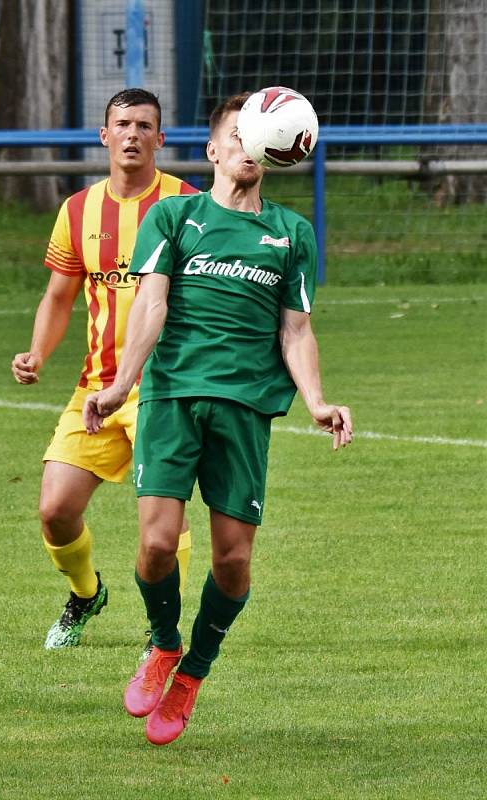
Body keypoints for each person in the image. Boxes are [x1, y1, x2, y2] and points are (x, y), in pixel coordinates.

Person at [83, 92, 353, 745]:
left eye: (258, 136)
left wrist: (316, 400)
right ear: (213, 149)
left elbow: (297, 330)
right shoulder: (176, 217)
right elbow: (151, 304)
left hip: (244, 411)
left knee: (232, 561)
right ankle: (166, 644)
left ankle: (193, 675)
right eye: (237, 135)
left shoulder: (292, 234)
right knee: (155, 544)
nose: (248, 145)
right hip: (173, 397)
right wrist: (122, 385)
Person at [12, 88, 197, 651]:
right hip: (96, 387)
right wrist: (38, 353)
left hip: (163, 388)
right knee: (55, 510)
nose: (133, 134)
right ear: (105, 135)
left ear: (160, 139)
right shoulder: (78, 210)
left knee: (162, 525)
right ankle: (86, 594)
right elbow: (59, 296)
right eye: (123, 124)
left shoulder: (190, 205)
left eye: (145, 125)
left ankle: (162, 631)